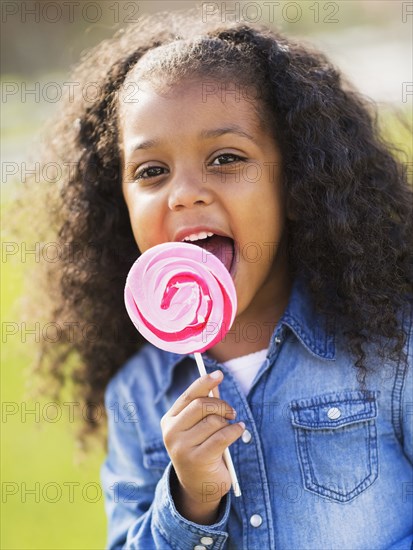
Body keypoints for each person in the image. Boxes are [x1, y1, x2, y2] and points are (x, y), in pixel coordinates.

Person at [36, 8, 412, 549]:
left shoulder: (391, 347)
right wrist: (189, 499)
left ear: (295, 179)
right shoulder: (138, 396)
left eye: (226, 158)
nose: (185, 192)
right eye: (151, 171)